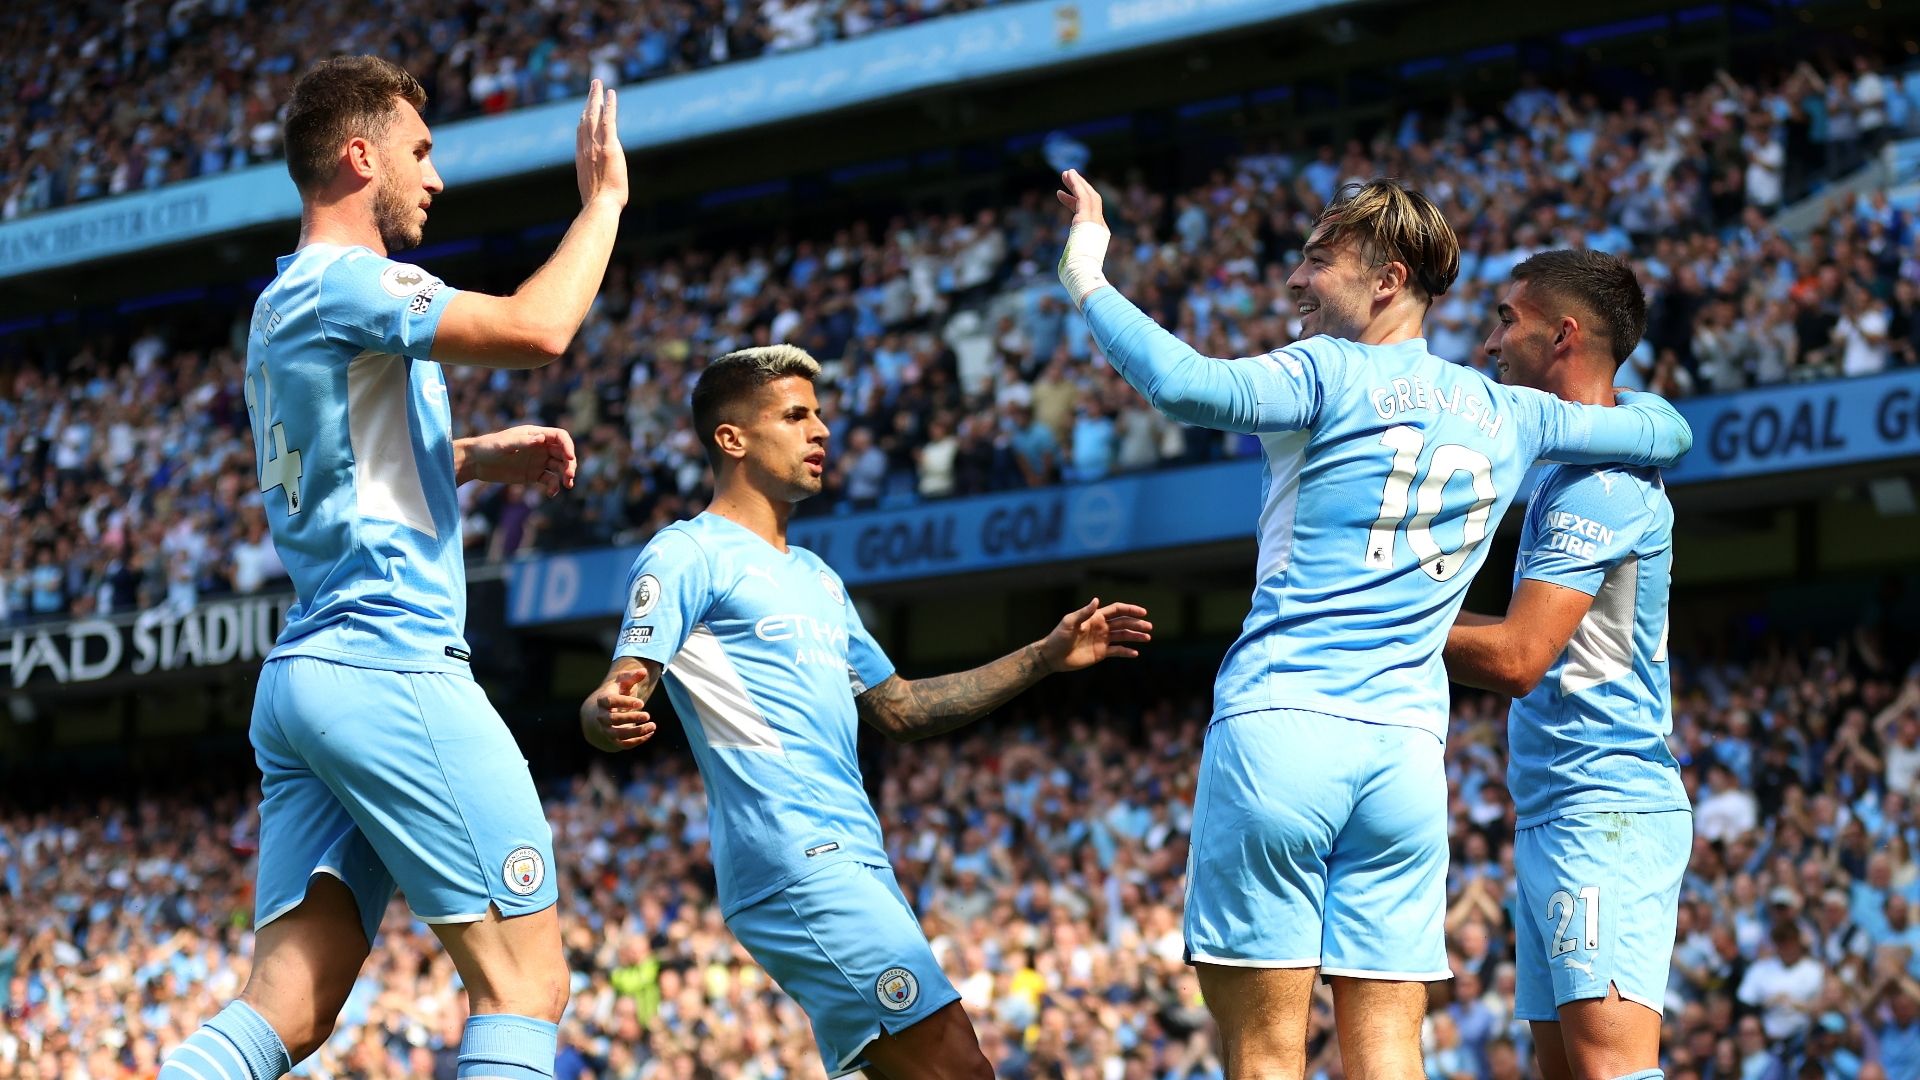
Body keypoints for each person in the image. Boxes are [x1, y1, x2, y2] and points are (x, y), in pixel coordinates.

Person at [1051, 170, 1693, 1079]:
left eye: (1318, 261)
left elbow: (1184, 385)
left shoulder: (1322, 370)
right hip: (1405, 762)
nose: (1295, 280)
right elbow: (1662, 433)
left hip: (1285, 723)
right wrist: (1654, 410)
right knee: (1390, 1048)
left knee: (1266, 1053)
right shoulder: (1508, 412)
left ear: (1387, 280)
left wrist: (1085, 269)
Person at [159, 57, 628, 1080]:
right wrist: (604, 205)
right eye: (421, 151)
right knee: (525, 987)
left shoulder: (280, 303)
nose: (437, 177)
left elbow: (347, 472)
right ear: (360, 156)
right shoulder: (351, 280)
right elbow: (540, 329)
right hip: (391, 658)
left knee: (286, 1010)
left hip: (309, 674)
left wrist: (474, 457)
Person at [576, 344, 1151, 1080]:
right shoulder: (688, 553)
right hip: (795, 860)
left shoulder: (818, 578)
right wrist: (606, 713)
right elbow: (616, 691)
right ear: (732, 438)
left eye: (819, 415)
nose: (820, 431)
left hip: (858, 858)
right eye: (795, 416)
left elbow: (901, 708)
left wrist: (1042, 657)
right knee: (957, 1067)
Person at [1444, 250, 1691, 1080]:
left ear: (1564, 335)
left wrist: (1377, 616)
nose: (1489, 342)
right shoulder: (1570, 467)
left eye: (1506, 320)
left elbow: (1518, 657)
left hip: (1605, 810)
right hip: (1557, 808)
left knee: (1611, 1071)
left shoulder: (1601, 485)